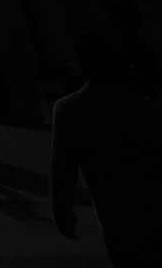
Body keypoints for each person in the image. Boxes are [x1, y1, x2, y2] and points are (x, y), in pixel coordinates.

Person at [51, 31, 162, 267]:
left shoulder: (69, 110)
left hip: (115, 217)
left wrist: (62, 211)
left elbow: (62, 169)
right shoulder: (147, 108)